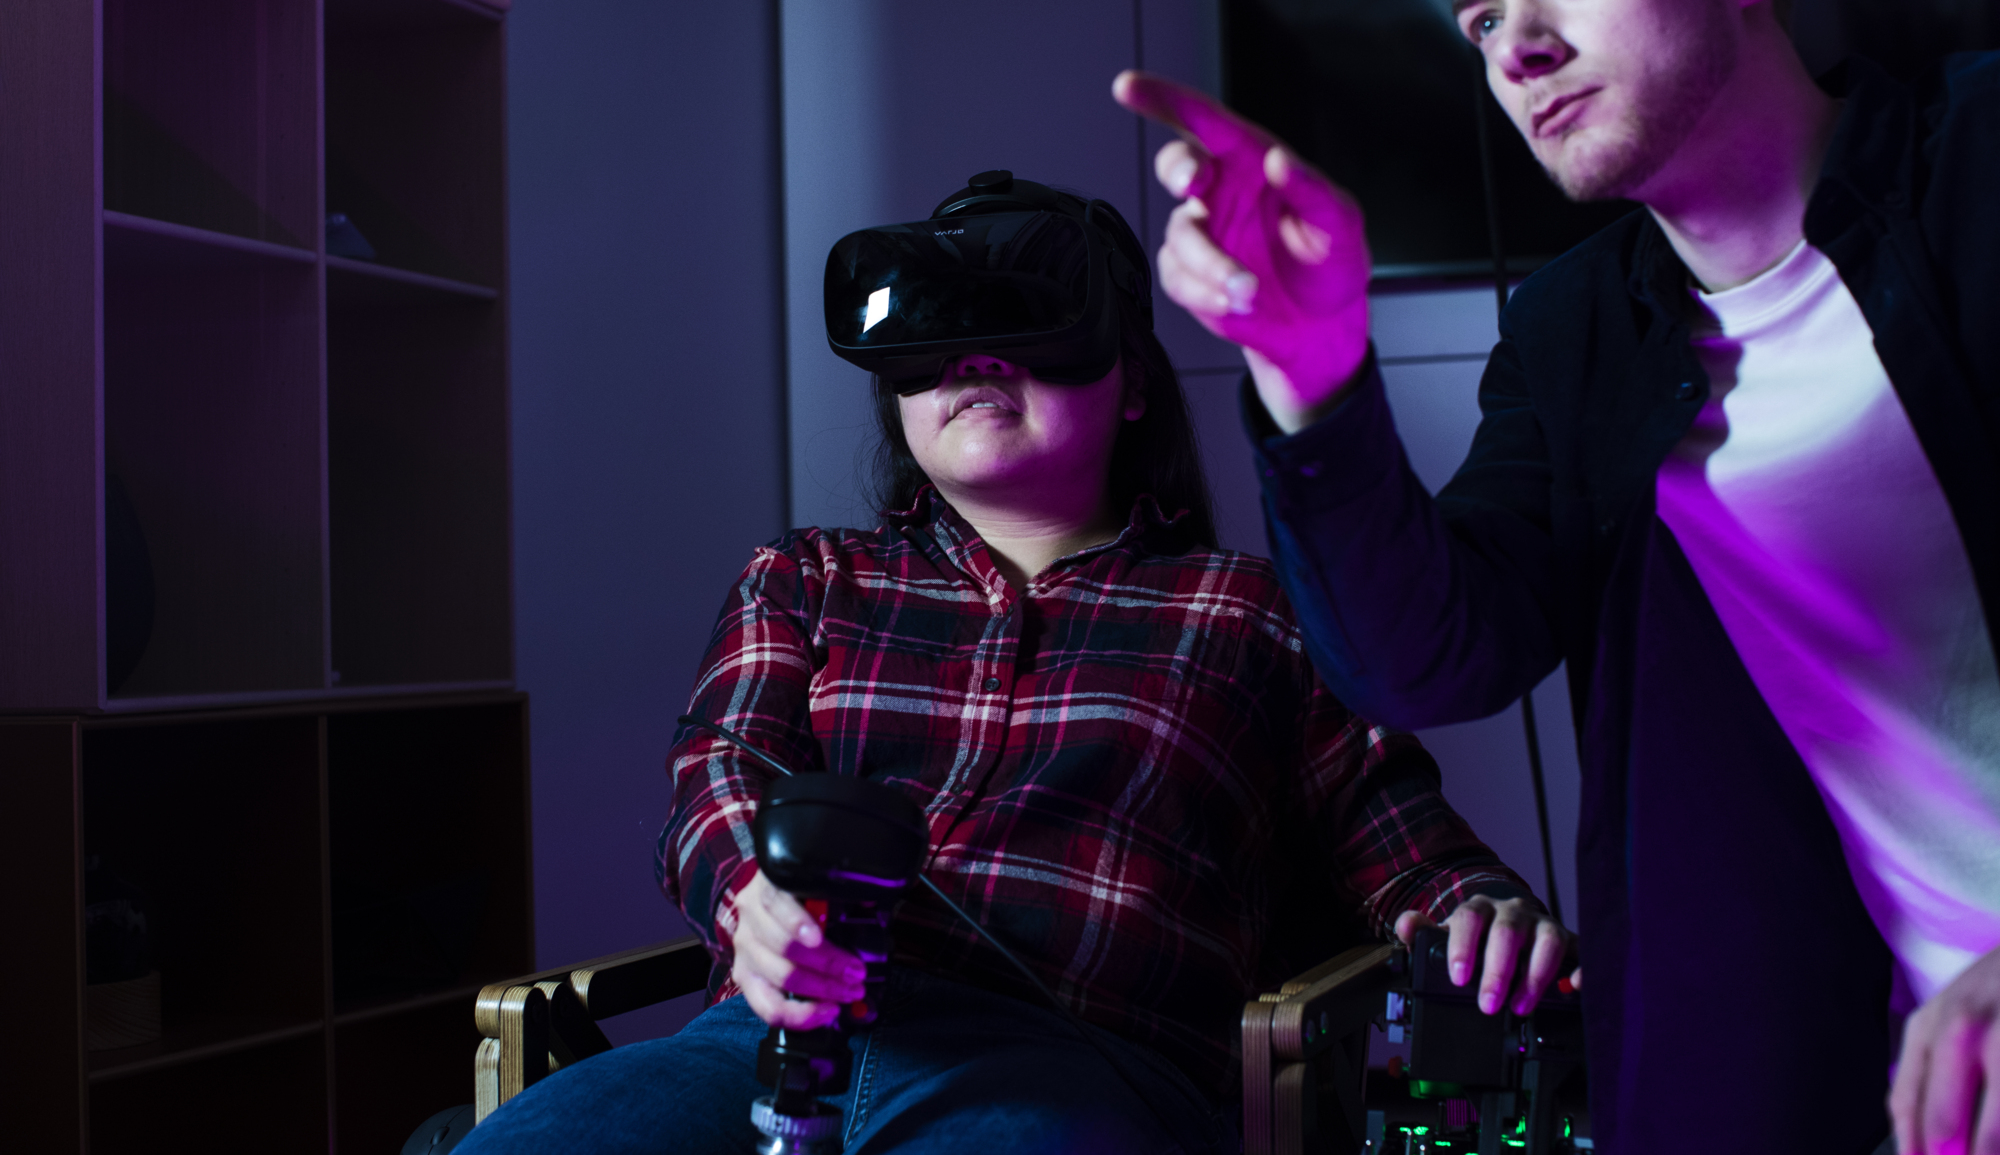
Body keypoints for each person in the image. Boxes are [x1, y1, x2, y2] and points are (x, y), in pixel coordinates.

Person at [1113, 0, 2000, 1151]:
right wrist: (1314, 374)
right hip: (1873, 1069)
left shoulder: (1980, 166)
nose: (1517, 46)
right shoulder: (1576, 333)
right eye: (1481, 19)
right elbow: (1429, 657)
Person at [457, 179, 1566, 1154]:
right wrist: (753, 900)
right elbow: (719, 762)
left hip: (1073, 1064)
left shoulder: (1251, 612)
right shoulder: (806, 578)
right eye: (939, 336)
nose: (976, 359)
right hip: (752, 1050)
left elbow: (1409, 854)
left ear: (1131, 384)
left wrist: (1476, 915)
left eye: (1022, 322)